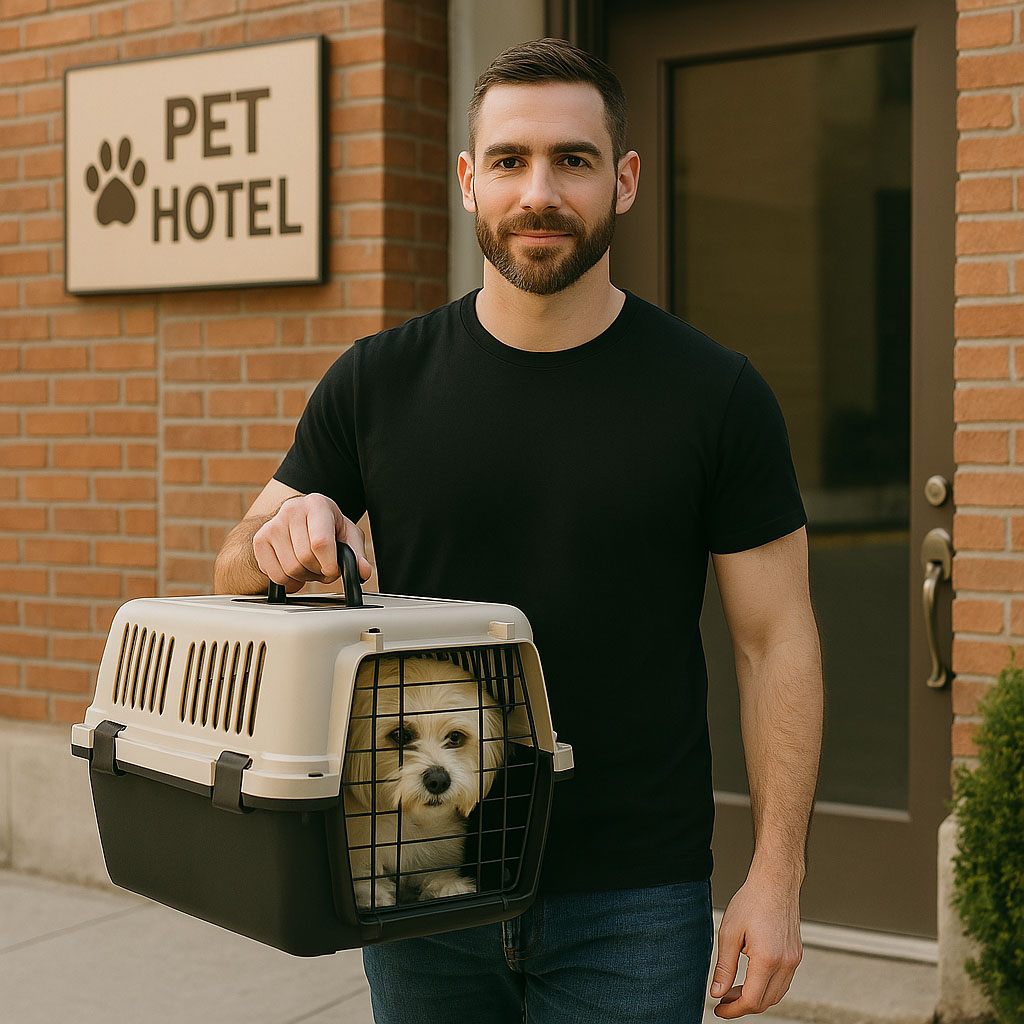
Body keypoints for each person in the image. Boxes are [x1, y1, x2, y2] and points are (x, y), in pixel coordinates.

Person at [214, 37, 823, 1024]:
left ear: (622, 179)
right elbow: (236, 560)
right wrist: (289, 524)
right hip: (419, 872)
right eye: (509, 160)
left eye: (572, 159)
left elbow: (775, 639)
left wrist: (777, 877)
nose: (539, 191)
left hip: (635, 892)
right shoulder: (375, 381)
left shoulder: (715, 394)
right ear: (467, 180)